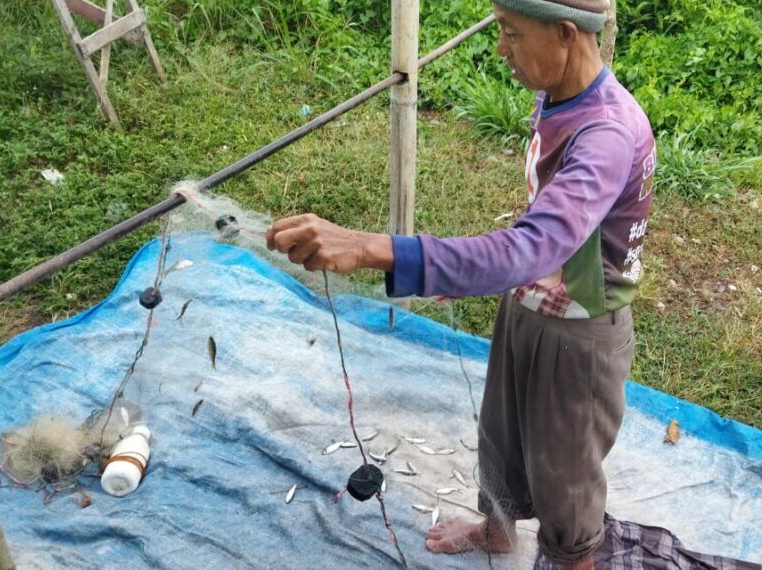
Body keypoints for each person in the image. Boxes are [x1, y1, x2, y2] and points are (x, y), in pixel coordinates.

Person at [267, 1, 655, 568]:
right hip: (530, 300)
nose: (501, 49)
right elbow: (540, 240)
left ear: (567, 34)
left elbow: (530, 247)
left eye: (512, 34)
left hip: (579, 336)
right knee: (501, 436)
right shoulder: (566, 93)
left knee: (565, 488)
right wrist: (465, 271)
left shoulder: (607, 136)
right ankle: (498, 530)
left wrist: (370, 247)